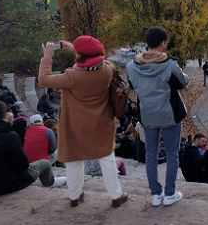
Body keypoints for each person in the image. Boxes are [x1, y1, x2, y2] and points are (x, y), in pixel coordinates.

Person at [38, 36, 127, 208]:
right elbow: (100, 61)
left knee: (73, 160)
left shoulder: (71, 76)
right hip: (100, 123)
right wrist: (75, 48)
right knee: (107, 159)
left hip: (75, 125)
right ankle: (116, 195)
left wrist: (47, 56)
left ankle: (74, 195)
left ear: (81, 57)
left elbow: (44, 78)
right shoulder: (107, 70)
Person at [127, 27, 189, 207]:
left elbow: (133, 85)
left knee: (151, 155)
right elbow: (183, 82)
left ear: (147, 43)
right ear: (163, 44)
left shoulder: (132, 66)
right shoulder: (169, 65)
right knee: (171, 155)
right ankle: (169, 193)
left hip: (147, 115)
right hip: (169, 115)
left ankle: (155, 194)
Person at [0, 100, 67, 196]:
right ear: (5, 115)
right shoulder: (10, 135)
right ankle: (50, 182)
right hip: (9, 185)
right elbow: (22, 165)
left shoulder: (25, 132)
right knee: (45, 163)